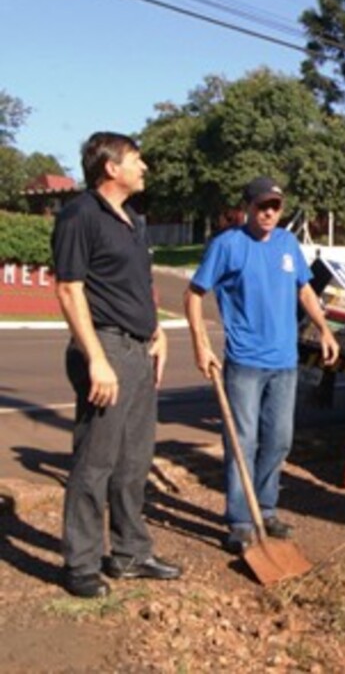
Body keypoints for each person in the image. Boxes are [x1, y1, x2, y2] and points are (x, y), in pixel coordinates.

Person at [51, 132, 182, 598]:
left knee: (134, 460)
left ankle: (130, 554)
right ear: (111, 167)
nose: (144, 167)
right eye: (136, 160)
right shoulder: (80, 215)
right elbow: (69, 289)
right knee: (95, 462)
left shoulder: (133, 220)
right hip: (105, 349)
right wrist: (96, 359)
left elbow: (137, 284)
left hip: (139, 350)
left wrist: (157, 330)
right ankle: (81, 564)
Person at [184, 176, 339, 553]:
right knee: (242, 442)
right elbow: (193, 294)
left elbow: (304, 289)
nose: (269, 213)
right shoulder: (227, 245)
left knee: (279, 439)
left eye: (275, 207)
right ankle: (240, 520)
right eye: (261, 206)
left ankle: (266, 509)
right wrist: (200, 345)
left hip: (285, 362)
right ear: (247, 208)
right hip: (244, 362)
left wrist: (324, 329)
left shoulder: (287, 244)